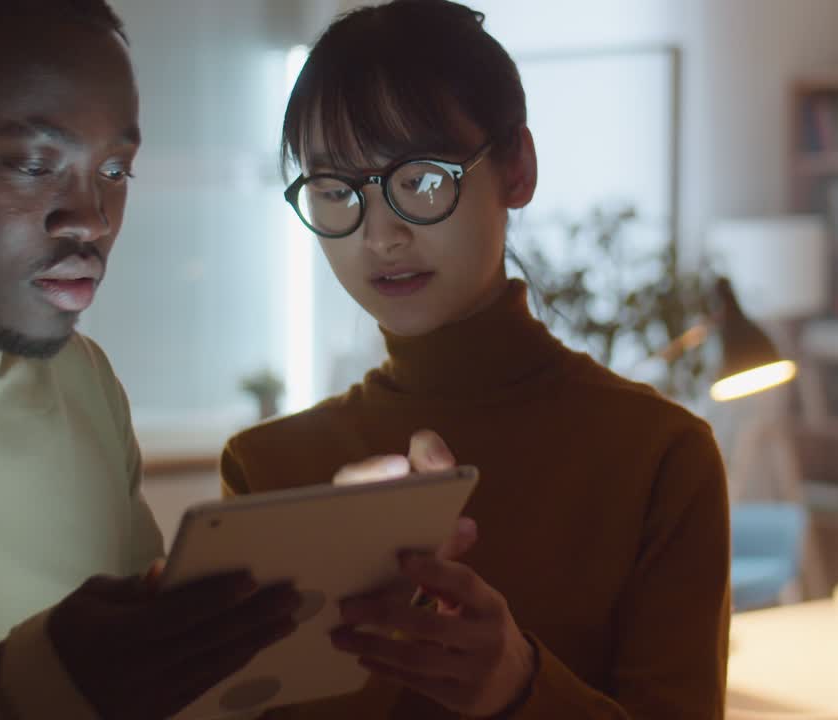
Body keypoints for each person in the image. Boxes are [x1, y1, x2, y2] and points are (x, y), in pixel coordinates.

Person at [220, 1, 732, 718]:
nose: (381, 234)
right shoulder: (267, 471)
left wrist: (519, 683)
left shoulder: (660, 459)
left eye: (422, 179)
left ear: (516, 167)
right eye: (337, 192)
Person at [0, 2, 303, 717]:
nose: (93, 217)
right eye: (38, 164)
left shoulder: (84, 377)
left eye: (114, 168)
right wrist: (45, 689)